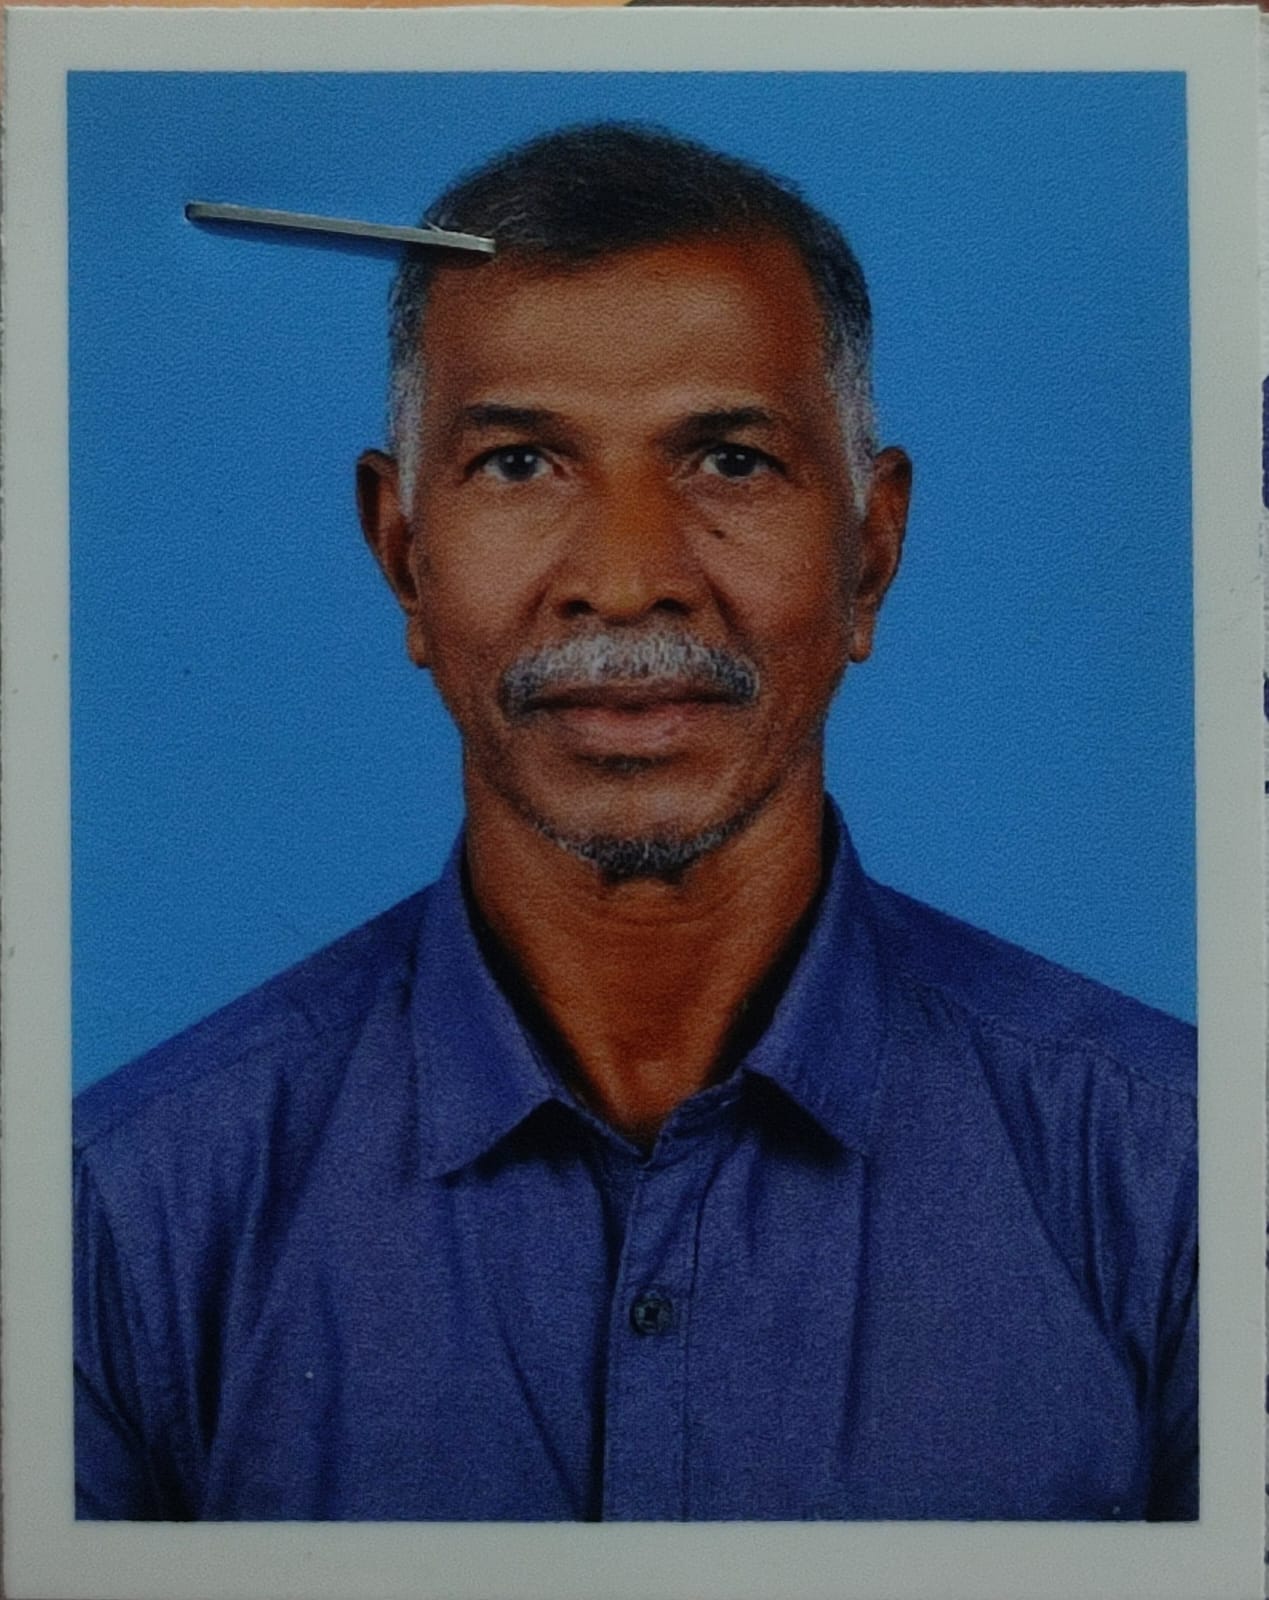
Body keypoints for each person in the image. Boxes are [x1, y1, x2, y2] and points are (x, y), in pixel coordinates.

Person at [73, 122, 1196, 1522]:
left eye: (728, 460)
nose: (623, 579)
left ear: (872, 553)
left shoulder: (1180, 1180)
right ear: (403, 556)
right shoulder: (124, 1216)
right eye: (519, 464)